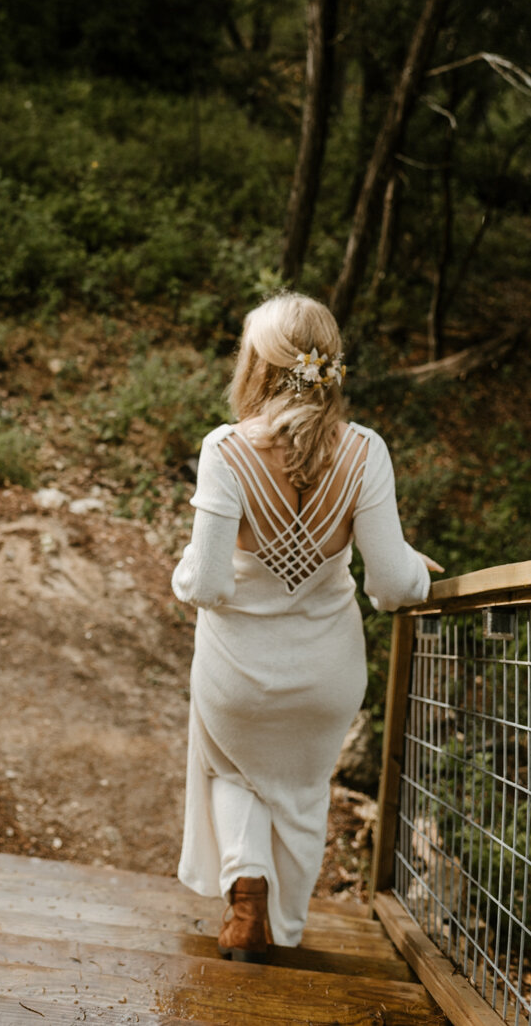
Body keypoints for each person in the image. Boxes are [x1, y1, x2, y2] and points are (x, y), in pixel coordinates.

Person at [171, 292, 442, 963]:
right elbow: (390, 586)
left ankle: (244, 901)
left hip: (237, 666)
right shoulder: (364, 452)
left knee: (231, 770)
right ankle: (284, 926)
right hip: (326, 671)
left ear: (258, 368)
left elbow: (204, 586)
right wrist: (416, 568)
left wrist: (185, 564)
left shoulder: (225, 450)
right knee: (298, 790)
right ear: (328, 364)